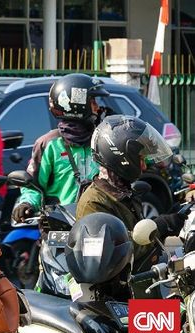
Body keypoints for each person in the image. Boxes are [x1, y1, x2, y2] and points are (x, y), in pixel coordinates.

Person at [76, 115, 186, 274]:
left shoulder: (122, 192)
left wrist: (170, 217)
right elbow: (115, 252)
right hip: (115, 295)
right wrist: (160, 227)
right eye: (140, 159)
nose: (142, 166)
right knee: (173, 301)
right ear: (120, 158)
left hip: (139, 279)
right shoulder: (93, 203)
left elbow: (134, 233)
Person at [12, 73, 110, 223]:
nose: (98, 107)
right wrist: (27, 203)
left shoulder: (104, 140)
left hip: (97, 224)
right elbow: (33, 185)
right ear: (78, 105)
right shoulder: (48, 144)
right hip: (58, 227)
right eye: (93, 102)